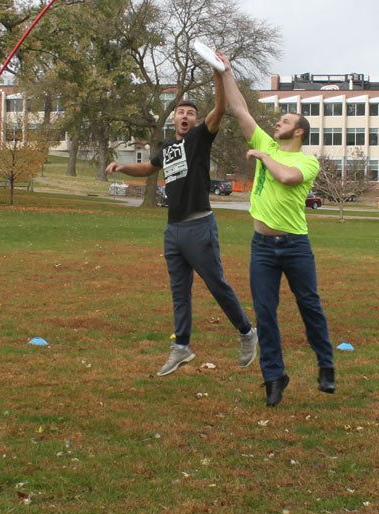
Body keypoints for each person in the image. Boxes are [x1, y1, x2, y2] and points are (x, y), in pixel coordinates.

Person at [106, 69, 256, 376]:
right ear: (173, 119)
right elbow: (148, 168)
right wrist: (122, 166)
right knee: (179, 290)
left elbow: (220, 109)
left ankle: (247, 332)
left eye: (190, 113)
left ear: (195, 121)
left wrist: (217, 76)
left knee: (217, 285)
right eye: (180, 113)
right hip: (173, 230)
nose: (185, 116)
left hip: (199, 226)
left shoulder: (200, 138)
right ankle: (182, 346)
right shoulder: (166, 148)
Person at [218, 53, 335, 406]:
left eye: (284, 120)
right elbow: (240, 110)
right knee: (265, 313)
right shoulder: (266, 145)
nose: (277, 124)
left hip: (295, 246)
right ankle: (274, 376)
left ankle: (326, 366)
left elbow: (285, 177)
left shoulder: (307, 160)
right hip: (262, 247)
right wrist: (225, 72)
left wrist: (263, 157)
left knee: (309, 306)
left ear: (299, 130)